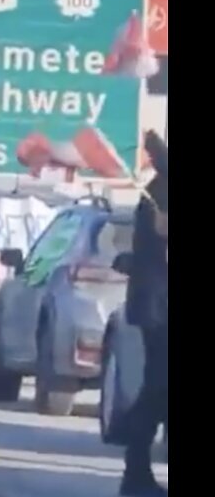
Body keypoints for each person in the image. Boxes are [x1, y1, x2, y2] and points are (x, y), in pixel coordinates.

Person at [118, 130, 168, 496]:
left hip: (155, 303)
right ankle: (135, 472)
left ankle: (136, 471)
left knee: (158, 389)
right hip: (159, 307)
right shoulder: (159, 192)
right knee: (157, 389)